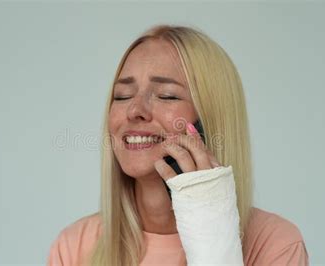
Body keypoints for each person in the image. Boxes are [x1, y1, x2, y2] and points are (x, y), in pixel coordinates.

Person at [47, 24, 309, 266]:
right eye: (122, 96)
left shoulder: (276, 244)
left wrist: (211, 230)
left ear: (209, 122)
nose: (135, 110)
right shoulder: (74, 247)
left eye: (166, 95)